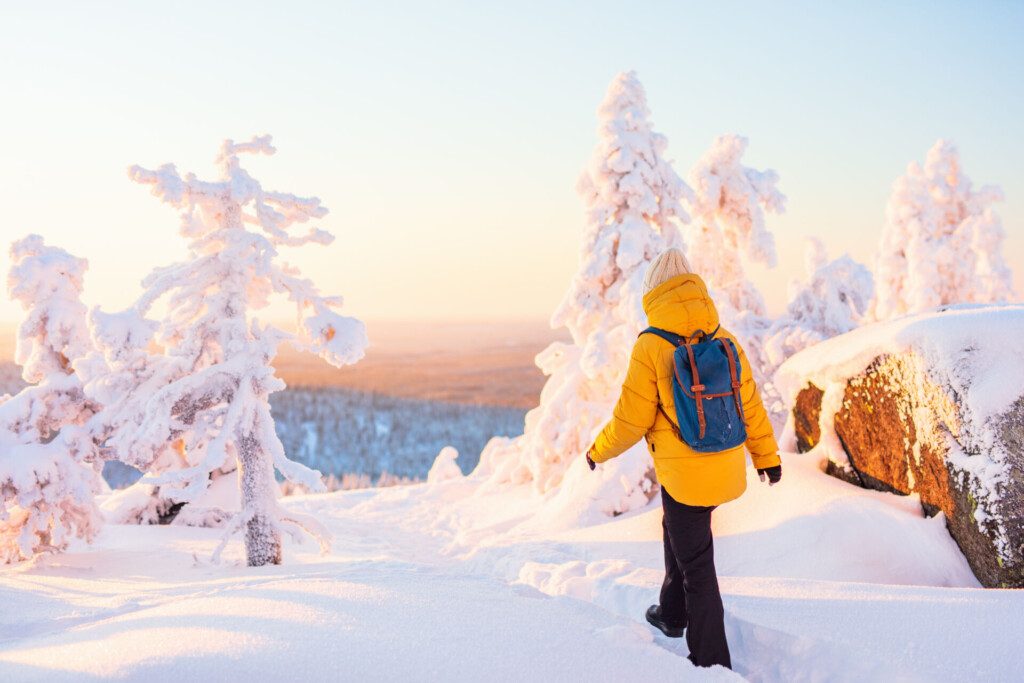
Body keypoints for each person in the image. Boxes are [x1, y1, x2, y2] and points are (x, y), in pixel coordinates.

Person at [585, 248, 782, 670]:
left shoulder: (652, 345)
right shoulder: (723, 337)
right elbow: (750, 404)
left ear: (654, 293)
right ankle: (672, 615)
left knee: (697, 567)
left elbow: (629, 420)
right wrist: (766, 457)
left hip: (684, 474)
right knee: (677, 531)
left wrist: (596, 451)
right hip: (726, 463)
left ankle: (712, 663)